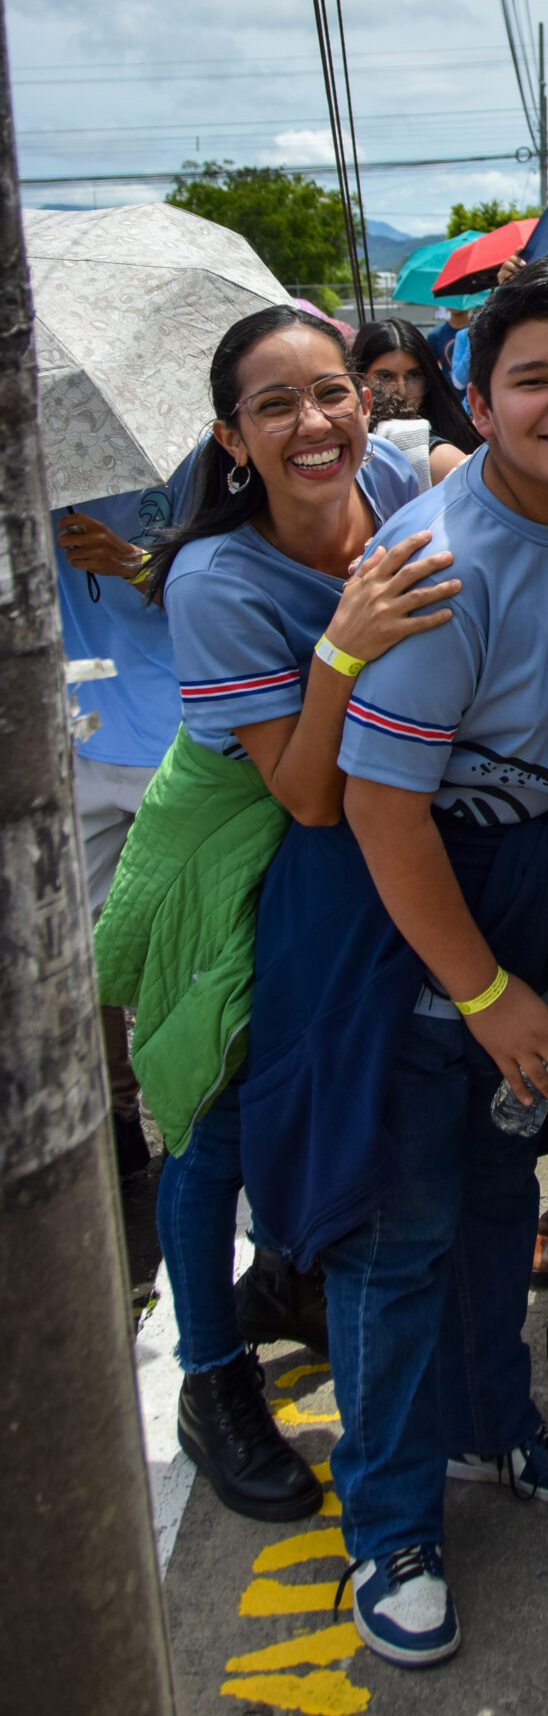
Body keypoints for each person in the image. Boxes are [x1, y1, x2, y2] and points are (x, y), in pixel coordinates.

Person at [239, 261, 548, 1669]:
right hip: (410, 924)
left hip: (534, 903)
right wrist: (485, 995)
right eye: (529, 379)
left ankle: (492, 1429)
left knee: (488, 1204)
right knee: (394, 1235)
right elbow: (374, 806)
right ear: (473, 403)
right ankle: (392, 1524)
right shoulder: (435, 563)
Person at [99, 305, 446, 1523]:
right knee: (215, 1103)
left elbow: (459, 482)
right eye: (277, 406)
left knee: (322, 1069)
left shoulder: (397, 471)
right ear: (230, 437)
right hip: (241, 829)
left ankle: (285, 1276)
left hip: (352, 831)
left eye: (334, 392)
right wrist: (342, 648)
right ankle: (212, 1378)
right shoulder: (216, 576)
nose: (317, 423)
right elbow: (301, 792)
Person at [55, 461, 197, 1182]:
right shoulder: (30, 465)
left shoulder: (193, 454)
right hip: (72, 737)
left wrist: (134, 562)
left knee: (180, 957)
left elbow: (238, 584)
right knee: (66, 961)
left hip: (176, 740)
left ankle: (195, 1133)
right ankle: (109, 1123)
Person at [351, 317, 480, 482]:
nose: (402, 389)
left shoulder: (447, 454)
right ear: (360, 379)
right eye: (385, 376)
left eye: (414, 375)